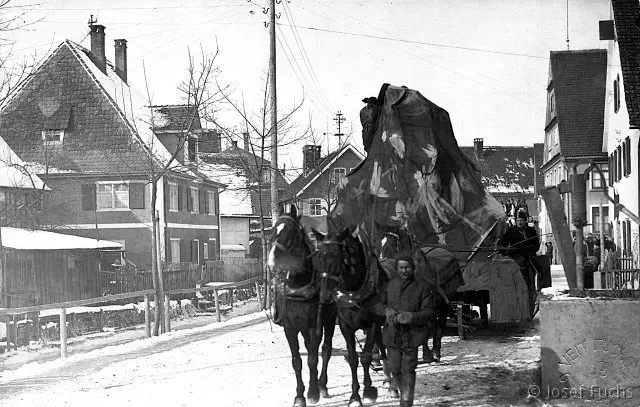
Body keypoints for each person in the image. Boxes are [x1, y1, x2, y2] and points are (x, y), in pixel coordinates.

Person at [375, 251, 435, 407]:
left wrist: (411, 317)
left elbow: (429, 312)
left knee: (408, 369)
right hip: (392, 334)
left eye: (407, 267)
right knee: (395, 369)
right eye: (401, 268)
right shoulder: (389, 286)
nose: (404, 271)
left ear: (413, 268)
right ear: (397, 268)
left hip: (411, 335)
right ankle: (403, 394)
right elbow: (377, 305)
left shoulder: (423, 287)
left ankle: (406, 402)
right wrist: (386, 310)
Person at [499, 211, 540, 316]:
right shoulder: (510, 231)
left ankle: (533, 292)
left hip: (528, 257)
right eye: (518, 221)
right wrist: (505, 249)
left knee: (535, 273)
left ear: (525, 221)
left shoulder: (531, 231)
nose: (520, 222)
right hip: (514, 257)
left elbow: (536, 246)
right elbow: (503, 243)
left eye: (521, 220)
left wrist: (524, 249)